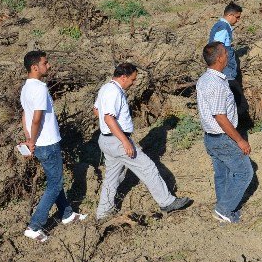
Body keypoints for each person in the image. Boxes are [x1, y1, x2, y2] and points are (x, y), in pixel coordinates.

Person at [93, 63, 191, 220]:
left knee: (111, 177)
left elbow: (96, 110)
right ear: (123, 77)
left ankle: (103, 213)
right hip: (118, 141)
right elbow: (108, 118)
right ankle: (167, 202)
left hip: (106, 140)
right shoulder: (114, 92)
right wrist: (125, 141)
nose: (133, 83)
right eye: (132, 79)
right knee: (148, 168)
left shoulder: (105, 88)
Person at [20, 50, 87, 243]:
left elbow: (25, 115)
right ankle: (34, 227)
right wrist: (32, 141)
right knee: (55, 184)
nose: (48, 66)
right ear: (35, 67)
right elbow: (37, 118)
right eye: (45, 63)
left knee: (54, 179)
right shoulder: (39, 89)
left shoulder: (25, 88)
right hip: (47, 143)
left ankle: (67, 215)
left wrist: (28, 139)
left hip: (40, 143)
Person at [196, 41, 253, 223]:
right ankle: (224, 209)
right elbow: (221, 117)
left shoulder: (204, 79)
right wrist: (240, 141)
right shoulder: (217, 84)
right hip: (222, 137)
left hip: (210, 138)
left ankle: (224, 208)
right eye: (226, 53)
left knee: (223, 174)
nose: (228, 56)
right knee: (245, 172)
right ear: (220, 58)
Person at [208, 2, 251, 130]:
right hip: (226, 72)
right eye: (237, 17)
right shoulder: (223, 27)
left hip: (225, 70)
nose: (238, 20)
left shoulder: (221, 26)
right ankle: (237, 128)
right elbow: (218, 49)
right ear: (230, 15)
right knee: (236, 101)